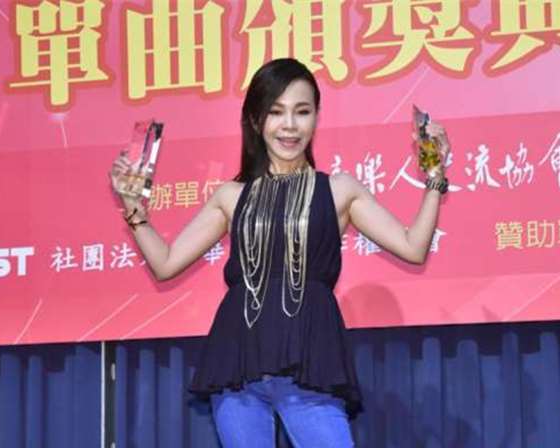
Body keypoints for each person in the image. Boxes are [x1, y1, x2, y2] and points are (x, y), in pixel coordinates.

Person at [110, 58, 450, 448]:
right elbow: (165, 263)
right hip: (238, 364)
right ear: (256, 120)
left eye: (302, 112)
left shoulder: (339, 190)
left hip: (309, 363)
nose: (289, 125)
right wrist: (132, 205)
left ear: (316, 118)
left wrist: (435, 177)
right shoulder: (231, 195)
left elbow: (413, 247)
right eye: (276, 112)